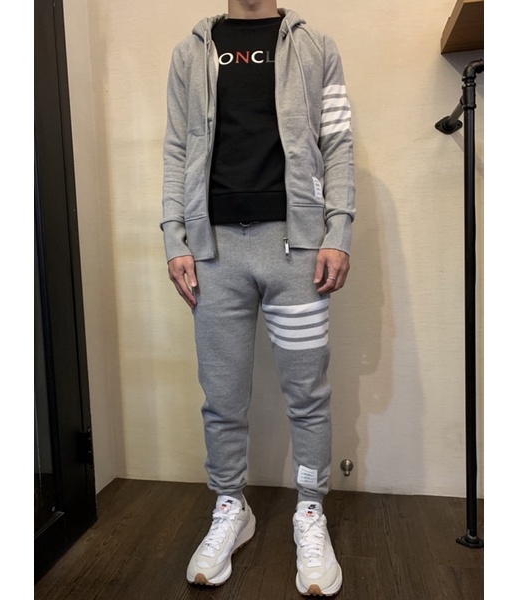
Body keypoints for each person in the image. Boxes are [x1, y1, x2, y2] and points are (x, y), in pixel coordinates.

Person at [161, 1, 355, 596]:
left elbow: (338, 142)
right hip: (213, 252)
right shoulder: (190, 51)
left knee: (307, 393)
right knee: (221, 398)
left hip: (297, 249)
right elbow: (176, 148)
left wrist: (338, 231)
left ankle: (310, 510)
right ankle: (231, 506)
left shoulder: (316, 47)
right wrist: (174, 237)